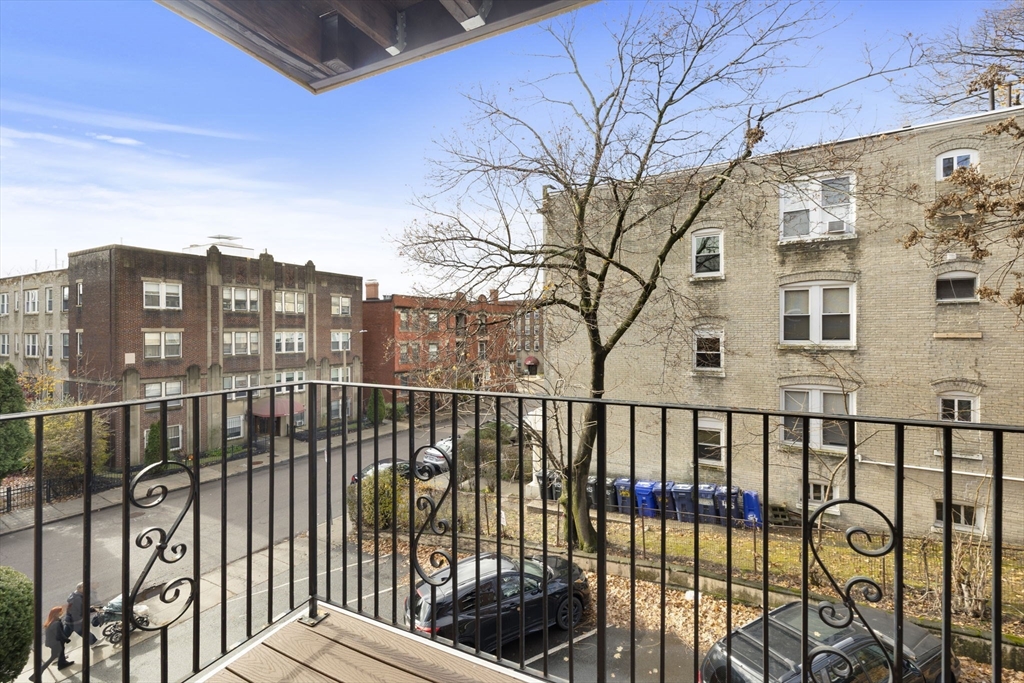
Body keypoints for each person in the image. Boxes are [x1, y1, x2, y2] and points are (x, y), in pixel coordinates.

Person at [28, 606, 73, 681]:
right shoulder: (56, 623)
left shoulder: (50, 622)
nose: (61, 613)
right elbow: (59, 634)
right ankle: (36, 675)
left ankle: (62, 663)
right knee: (53, 657)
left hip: (52, 643)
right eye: (60, 612)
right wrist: (66, 639)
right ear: (55, 614)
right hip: (56, 643)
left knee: (59, 653)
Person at [64, 582, 99, 647]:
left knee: (63, 636)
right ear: (79, 588)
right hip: (75, 621)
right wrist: (92, 610)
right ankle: (94, 642)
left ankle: (57, 649)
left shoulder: (74, 595)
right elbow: (81, 610)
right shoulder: (77, 598)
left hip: (69, 620)